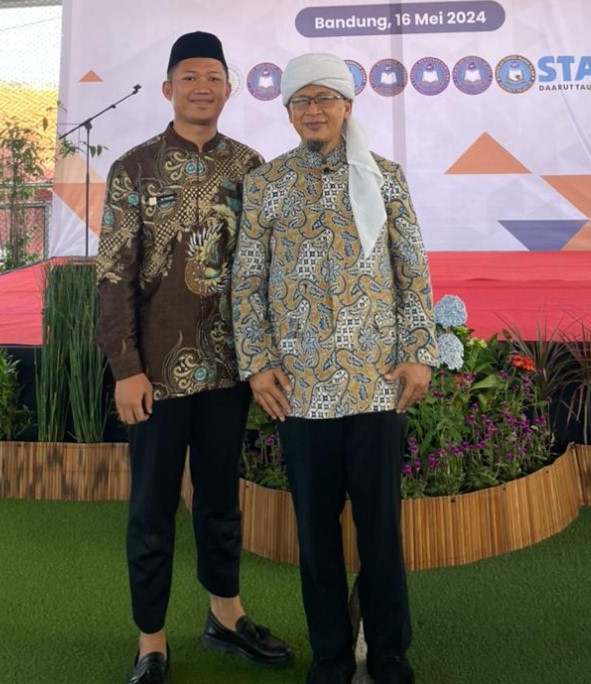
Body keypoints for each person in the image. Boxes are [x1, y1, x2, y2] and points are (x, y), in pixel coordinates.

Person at [231, 52, 439, 684]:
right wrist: (258, 364)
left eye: (325, 98)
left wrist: (418, 352)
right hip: (299, 390)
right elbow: (247, 282)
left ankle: (390, 649)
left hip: (376, 383)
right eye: (302, 100)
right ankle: (329, 654)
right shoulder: (266, 184)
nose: (313, 109)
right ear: (288, 111)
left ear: (348, 106)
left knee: (380, 530)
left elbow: (412, 269)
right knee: (315, 534)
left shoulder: (385, 177)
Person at [95, 31, 294, 684]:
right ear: (168, 89)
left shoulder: (250, 167)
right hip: (154, 374)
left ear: (229, 89)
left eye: (213, 77)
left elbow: (262, 270)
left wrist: (263, 357)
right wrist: (126, 368)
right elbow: (113, 276)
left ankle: (226, 616)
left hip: (230, 370)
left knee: (220, 501)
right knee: (151, 509)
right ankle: (150, 642)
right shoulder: (134, 169)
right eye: (189, 77)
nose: (201, 88)